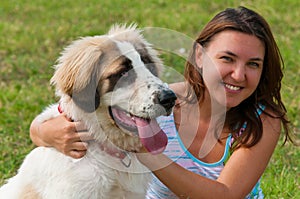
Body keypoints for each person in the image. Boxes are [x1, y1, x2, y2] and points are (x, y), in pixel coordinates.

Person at [30, 6, 293, 199]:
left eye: (253, 64)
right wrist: (43, 131)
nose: (238, 74)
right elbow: (68, 112)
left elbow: (224, 195)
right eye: (226, 58)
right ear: (199, 56)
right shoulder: (165, 101)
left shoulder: (262, 121)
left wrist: (143, 150)